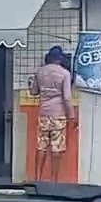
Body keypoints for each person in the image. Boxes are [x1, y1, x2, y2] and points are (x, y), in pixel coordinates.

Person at [30, 46, 75, 182]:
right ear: (60, 59)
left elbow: (33, 92)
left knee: (41, 145)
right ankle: (53, 180)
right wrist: (71, 115)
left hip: (43, 113)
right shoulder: (65, 74)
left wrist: (30, 83)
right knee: (56, 147)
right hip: (59, 114)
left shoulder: (40, 72)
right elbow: (66, 97)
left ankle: (37, 179)